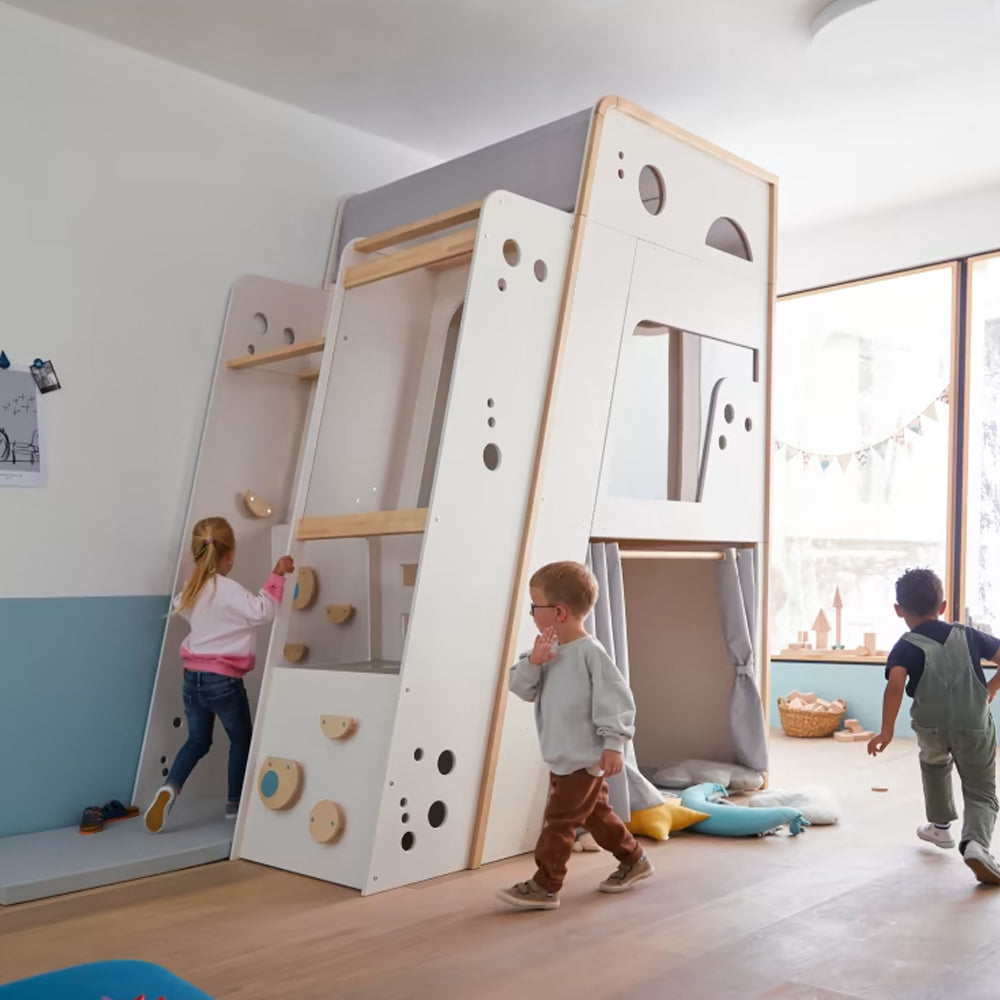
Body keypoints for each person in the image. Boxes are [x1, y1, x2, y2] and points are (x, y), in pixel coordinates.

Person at [496, 560, 653, 910]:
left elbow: (617, 702)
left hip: (587, 757)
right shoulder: (542, 651)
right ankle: (634, 859)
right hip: (562, 755)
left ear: (560, 612)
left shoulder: (590, 654)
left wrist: (614, 744)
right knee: (597, 815)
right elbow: (521, 688)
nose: (532, 613)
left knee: (559, 821)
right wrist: (534, 662)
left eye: (535, 606)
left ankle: (545, 884)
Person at [144, 516, 293, 833]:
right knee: (241, 739)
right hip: (222, 682)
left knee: (197, 740)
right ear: (229, 555)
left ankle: (170, 788)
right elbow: (262, 612)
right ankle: (234, 805)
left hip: (192, 680)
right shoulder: (229, 590)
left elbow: (182, 608)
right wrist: (276, 575)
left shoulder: (191, 589)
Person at [867, 567, 1000, 884]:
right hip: (973, 725)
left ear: (899, 610)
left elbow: (895, 686)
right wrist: (991, 689)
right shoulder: (968, 635)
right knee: (981, 789)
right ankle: (976, 844)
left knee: (934, 764)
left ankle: (940, 828)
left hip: (930, 728)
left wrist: (886, 731)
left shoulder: (904, 645)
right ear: (942, 606)